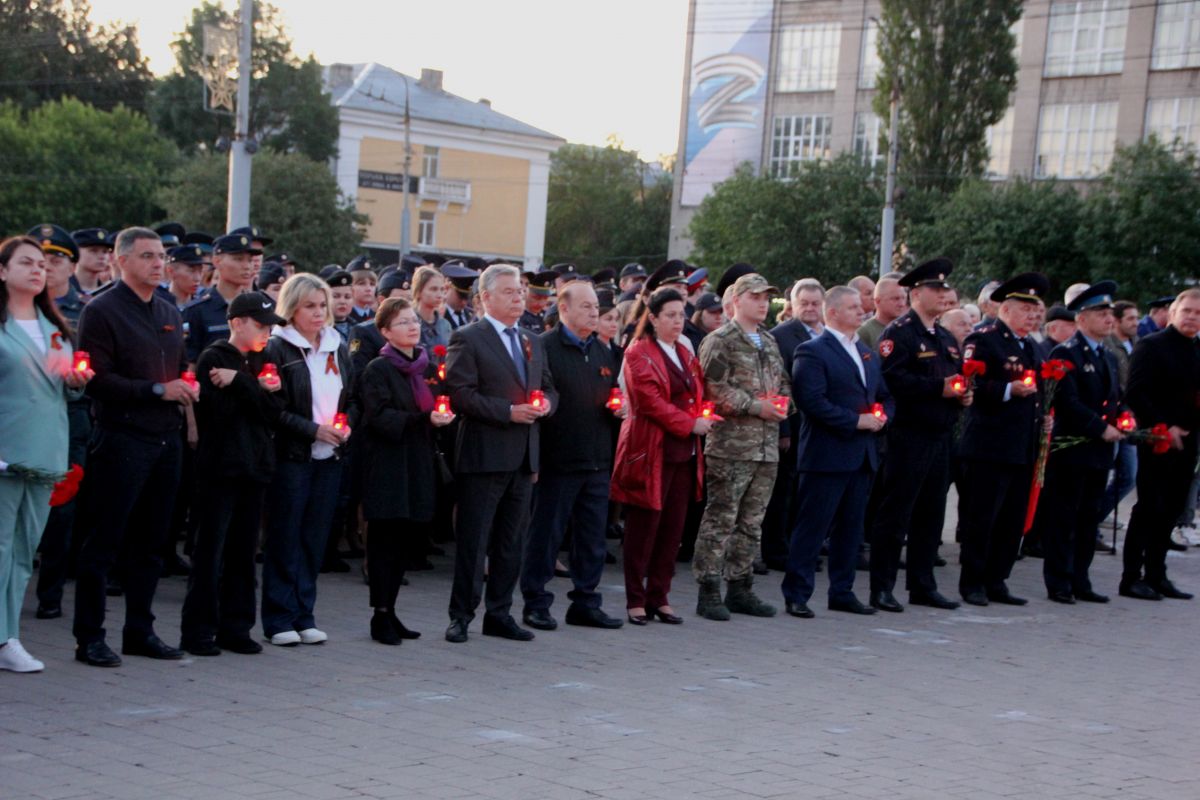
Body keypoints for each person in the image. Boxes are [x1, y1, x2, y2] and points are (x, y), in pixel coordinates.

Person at [73, 227, 196, 667]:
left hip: (166, 439)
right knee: (104, 540)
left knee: (151, 542)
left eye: (160, 256)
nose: (157, 263)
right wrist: (156, 390)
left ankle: (139, 631)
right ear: (122, 261)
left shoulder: (166, 308)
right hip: (122, 437)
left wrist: (186, 385)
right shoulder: (102, 310)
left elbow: (179, 365)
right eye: (146, 256)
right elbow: (97, 380)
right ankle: (89, 636)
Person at [443, 264, 555, 643]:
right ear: (485, 297)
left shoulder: (531, 340)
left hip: (524, 457)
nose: (518, 298)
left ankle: (500, 612)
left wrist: (545, 407)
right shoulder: (468, 338)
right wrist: (507, 412)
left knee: (511, 542)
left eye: (520, 292)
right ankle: (461, 615)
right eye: (509, 292)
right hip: (484, 454)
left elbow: (550, 389)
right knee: (475, 543)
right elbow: (461, 394)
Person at [0, 237, 91, 672]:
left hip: (45, 452)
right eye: (25, 263)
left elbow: (65, 385)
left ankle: (8, 636)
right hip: (5, 452)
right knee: (0, 547)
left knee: (22, 551)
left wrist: (77, 380)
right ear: (3, 271)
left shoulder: (53, 326)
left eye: (42, 264)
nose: (37, 270)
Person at [179, 292, 286, 656]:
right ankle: (198, 630)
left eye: (271, 326)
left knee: (243, 552)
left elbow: (273, 409)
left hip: (254, 466)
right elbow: (221, 412)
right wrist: (252, 389)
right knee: (211, 551)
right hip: (220, 467)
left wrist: (243, 382)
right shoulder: (214, 357)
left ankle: (236, 626)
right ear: (237, 322)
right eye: (260, 325)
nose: (267, 333)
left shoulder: (264, 359)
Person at [782, 286, 893, 618]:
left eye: (861, 307)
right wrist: (856, 421)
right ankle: (797, 593)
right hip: (827, 454)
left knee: (851, 528)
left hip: (862, 455)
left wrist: (882, 417)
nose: (861, 312)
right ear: (832, 313)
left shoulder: (865, 351)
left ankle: (841, 591)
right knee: (813, 526)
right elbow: (812, 402)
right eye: (853, 307)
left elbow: (885, 393)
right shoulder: (812, 351)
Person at [520, 282, 626, 631]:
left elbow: (610, 393)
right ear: (563, 310)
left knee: (592, 538)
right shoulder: (545, 346)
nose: (594, 313)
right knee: (546, 535)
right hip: (558, 460)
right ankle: (535, 601)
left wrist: (618, 407)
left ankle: (585, 601)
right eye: (586, 307)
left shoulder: (603, 350)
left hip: (596, 459)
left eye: (596, 306)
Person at [867, 259, 969, 613]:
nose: (944, 295)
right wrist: (937, 388)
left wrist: (961, 393)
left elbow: (953, 377)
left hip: (941, 434)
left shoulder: (943, 336)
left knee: (932, 513)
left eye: (946, 289)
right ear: (916, 293)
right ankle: (881, 587)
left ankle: (922, 584)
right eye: (936, 289)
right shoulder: (900, 333)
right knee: (896, 514)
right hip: (909, 435)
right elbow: (893, 381)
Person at [261, 273, 353, 646]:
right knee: (286, 536)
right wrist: (312, 430)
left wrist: (346, 426)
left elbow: (353, 397)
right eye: (310, 306)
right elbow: (272, 409)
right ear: (292, 309)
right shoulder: (277, 348)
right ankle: (279, 618)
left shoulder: (337, 345)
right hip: (293, 455)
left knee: (314, 538)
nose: (318, 314)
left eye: (322, 306)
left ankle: (304, 613)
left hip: (329, 456)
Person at [612, 288, 713, 624]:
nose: (677, 322)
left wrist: (704, 415)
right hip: (650, 450)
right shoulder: (639, 352)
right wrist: (691, 423)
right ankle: (635, 599)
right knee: (644, 528)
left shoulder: (684, 351)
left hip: (683, 453)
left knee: (673, 529)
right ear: (652, 318)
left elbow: (694, 393)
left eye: (681, 315)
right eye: (669, 315)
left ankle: (660, 595)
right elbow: (649, 402)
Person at [359, 297, 456, 644]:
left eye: (414, 319)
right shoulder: (378, 369)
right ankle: (379, 615)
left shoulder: (427, 367)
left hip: (418, 460)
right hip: (388, 463)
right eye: (402, 322)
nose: (413, 326)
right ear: (385, 331)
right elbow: (380, 418)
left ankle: (392, 611)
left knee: (403, 543)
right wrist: (423, 420)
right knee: (385, 540)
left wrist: (442, 417)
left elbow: (438, 402)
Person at [692, 274, 789, 620]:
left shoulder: (768, 340)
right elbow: (713, 388)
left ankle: (740, 587)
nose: (763, 303)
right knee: (721, 519)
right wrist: (753, 406)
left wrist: (782, 405)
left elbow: (784, 383)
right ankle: (708, 589)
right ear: (736, 300)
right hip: (731, 446)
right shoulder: (720, 340)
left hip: (765, 446)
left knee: (752, 522)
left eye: (767, 297)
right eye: (756, 297)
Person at [956, 273, 1049, 606]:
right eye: (1025, 309)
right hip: (990, 445)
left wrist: (1044, 416)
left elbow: (1039, 390)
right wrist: (1009, 389)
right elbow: (971, 385)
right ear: (1006, 309)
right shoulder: (985, 339)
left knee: (1012, 519)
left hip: (1022, 444)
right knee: (983, 516)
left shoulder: (1030, 345)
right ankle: (973, 582)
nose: (1032, 316)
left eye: (1035, 310)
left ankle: (998, 578)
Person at [1037, 282, 1123, 604]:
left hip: (1098, 451)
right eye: (1101, 313)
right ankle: (1059, 581)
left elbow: (1116, 397)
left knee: (1088, 518)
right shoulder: (1066, 352)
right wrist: (1100, 428)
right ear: (1082, 317)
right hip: (1073, 449)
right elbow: (1067, 401)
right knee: (1064, 517)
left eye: (1110, 313)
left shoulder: (1109, 356)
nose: (1108, 319)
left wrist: (1123, 418)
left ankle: (1081, 579)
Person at [1119, 289, 1200, 600]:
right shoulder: (1152, 346)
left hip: (1188, 442)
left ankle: (1157, 573)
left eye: (1198, 313)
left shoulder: (1197, 349)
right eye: (1187, 311)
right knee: (1149, 508)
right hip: (1158, 440)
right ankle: (1131, 577)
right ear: (1174, 312)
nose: (1192, 317)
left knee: (1172, 509)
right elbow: (1136, 393)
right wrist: (1163, 427)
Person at [412, 265, 452, 349]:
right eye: (433, 289)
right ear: (419, 291)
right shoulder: (409, 322)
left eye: (442, 289)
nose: (439, 295)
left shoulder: (445, 325)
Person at [69, 227, 112, 299]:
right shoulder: (62, 290)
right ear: (76, 253)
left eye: (105, 251)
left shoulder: (109, 292)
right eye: (93, 251)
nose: (102, 257)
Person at [519, 271, 555, 335]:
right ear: (527, 293)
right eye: (536, 298)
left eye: (545, 298)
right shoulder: (517, 316)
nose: (541, 303)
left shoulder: (546, 316)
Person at [326, 269, 356, 343]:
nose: (342, 301)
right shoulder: (321, 329)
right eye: (336, 296)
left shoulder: (357, 328)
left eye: (347, 297)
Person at [346, 256, 378, 324]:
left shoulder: (378, 318)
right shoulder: (345, 317)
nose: (368, 288)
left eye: (372, 284)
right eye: (361, 284)